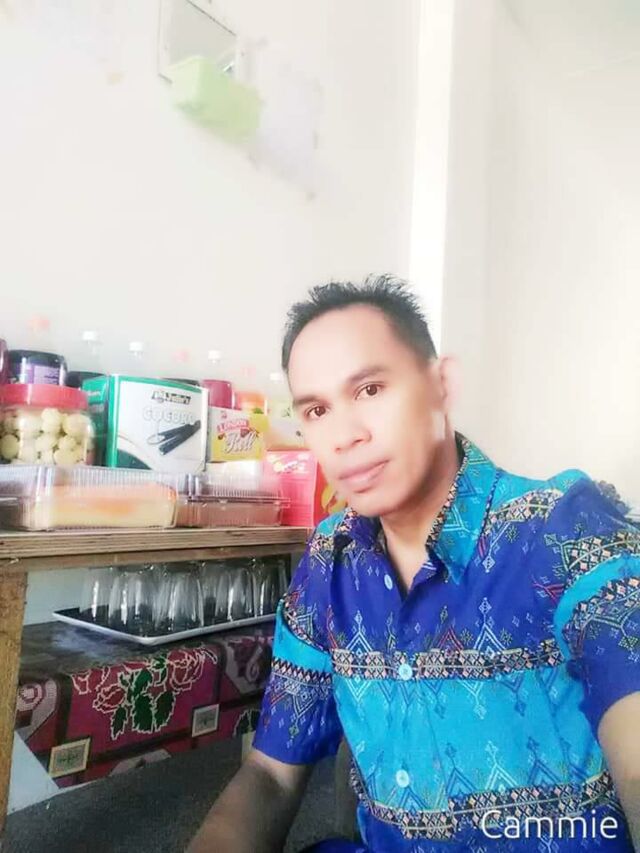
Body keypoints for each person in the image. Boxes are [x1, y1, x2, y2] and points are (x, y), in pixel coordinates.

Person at [190, 275, 640, 852]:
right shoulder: (329, 563)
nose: (344, 436)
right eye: (318, 409)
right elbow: (270, 774)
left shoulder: (562, 528)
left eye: (370, 389)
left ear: (441, 384)